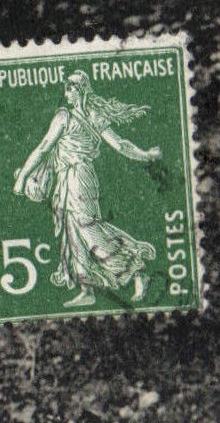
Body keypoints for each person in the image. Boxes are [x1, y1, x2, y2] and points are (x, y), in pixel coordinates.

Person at [13, 71, 161, 308]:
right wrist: (146, 155)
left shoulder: (81, 116)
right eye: (65, 88)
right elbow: (45, 148)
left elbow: (119, 144)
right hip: (67, 178)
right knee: (72, 232)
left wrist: (146, 155)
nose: (66, 93)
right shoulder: (72, 115)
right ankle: (86, 289)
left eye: (70, 87)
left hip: (79, 178)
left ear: (81, 89)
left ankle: (135, 269)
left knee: (87, 228)